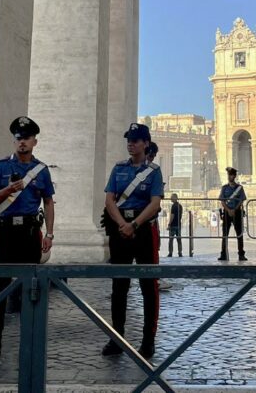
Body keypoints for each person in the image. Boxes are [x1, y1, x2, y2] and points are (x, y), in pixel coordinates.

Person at [0, 116, 55, 363]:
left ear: (34, 141)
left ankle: (31, 341)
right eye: (18, 138)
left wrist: (50, 234)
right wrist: (7, 191)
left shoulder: (41, 171)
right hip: (5, 234)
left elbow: (48, 201)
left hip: (30, 234)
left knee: (30, 289)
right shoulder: (0, 167)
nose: (21, 142)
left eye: (26, 138)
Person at [102, 123, 163, 359]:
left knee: (148, 287)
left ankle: (148, 340)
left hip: (143, 231)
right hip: (121, 230)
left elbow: (155, 203)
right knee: (119, 287)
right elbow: (109, 200)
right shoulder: (118, 169)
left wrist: (134, 225)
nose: (131, 143)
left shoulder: (154, 172)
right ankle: (116, 338)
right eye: (129, 139)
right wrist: (122, 225)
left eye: (136, 140)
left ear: (146, 144)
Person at [218, 167, 247, 261]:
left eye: (231, 175)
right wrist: (228, 210)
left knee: (239, 234)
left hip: (237, 212)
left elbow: (241, 200)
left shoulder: (239, 188)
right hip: (227, 212)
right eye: (228, 175)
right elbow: (222, 200)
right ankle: (223, 254)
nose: (229, 176)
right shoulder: (224, 188)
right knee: (224, 234)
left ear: (234, 176)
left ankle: (241, 254)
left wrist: (234, 209)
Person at [167, 193, 183, 257]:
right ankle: (180, 252)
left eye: (172, 197)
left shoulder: (173, 206)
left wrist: (169, 224)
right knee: (179, 239)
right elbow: (180, 215)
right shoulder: (180, 206)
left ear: (175, 198)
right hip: (178, 224)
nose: (171, 198)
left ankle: (170, 253)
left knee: (171, 240)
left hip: (173, 225)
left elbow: (172, 216)